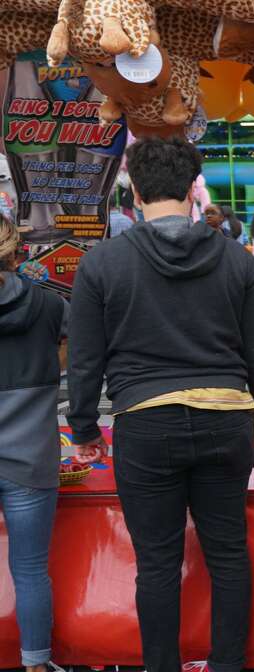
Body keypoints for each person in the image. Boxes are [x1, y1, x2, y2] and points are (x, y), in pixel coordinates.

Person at [66, 137, 254, 672]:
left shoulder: (102, 264)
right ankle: (228, 664)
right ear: (192, 190)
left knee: (157, 564)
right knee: (228, 553)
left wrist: (85, 428)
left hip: (145, 421)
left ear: (135, 192)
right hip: (226, 417)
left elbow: (86, 361)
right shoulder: (238, 260)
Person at [0, 214, 68, 672]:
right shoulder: (50, 305)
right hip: (31, 458)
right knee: (29, 572)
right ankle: (36, 663)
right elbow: (69, 358)